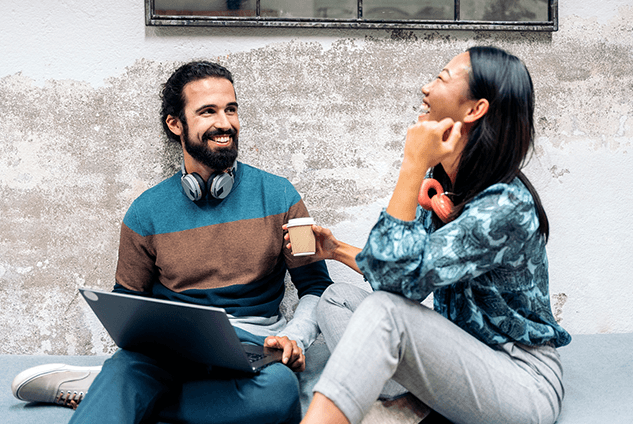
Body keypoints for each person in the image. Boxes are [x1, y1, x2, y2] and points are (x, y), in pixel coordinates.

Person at [11, 61, 333, 424]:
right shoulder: (144, 212)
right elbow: (128, 307)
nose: (225, 123)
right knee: (127, 369)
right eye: (208, 112)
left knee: (280, 394)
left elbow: (317, 288)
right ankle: (120, 387)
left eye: (231, 109)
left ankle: (113, 395)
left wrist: (295, 337)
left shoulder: (283, 196)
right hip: (171, 353)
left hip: (256, 348)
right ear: (175, 124)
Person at [296, 46, 571, 424]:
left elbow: (395, 287)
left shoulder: (505, 208)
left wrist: (412, 164)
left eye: (441, 78)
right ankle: (411, 401)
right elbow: (408, 274)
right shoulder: (444, 187)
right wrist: (336, 250)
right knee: (337, 297)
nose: (426, 88)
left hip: (522, 381)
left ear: (475, 109)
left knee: (385, 314)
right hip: (465, 361)